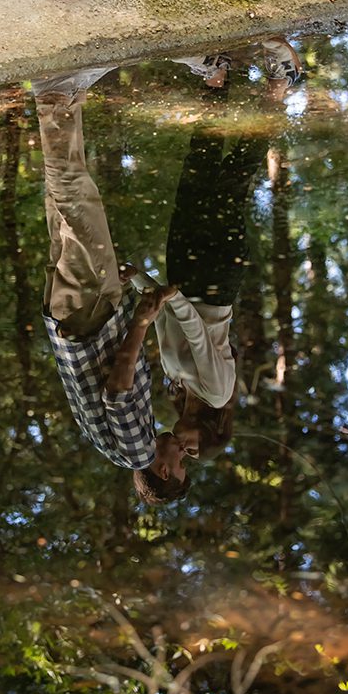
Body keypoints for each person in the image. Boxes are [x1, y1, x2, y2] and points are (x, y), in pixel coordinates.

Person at [130, 38, 301, 473]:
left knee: (195, 178)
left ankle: (218, 77)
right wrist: (169, 296)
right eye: (194, 452)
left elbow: (162, 318)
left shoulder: (174, 388)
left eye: (181, 455)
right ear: (212, 432)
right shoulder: (219, 393)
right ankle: (282, 86)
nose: (182, 449)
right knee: (234, 176)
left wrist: (135, 279)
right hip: (215, 280)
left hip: (182, 278)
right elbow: (196, 330)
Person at [32, 67, 191, 502]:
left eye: (180, 463)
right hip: (85, 315)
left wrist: (141, 320)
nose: (182, 453)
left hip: (88, 314)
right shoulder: (119, 450)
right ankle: (66, 98)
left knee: (77, 203)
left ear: (163, 470)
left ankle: (53, 97)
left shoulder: (138, 450)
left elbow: (118, 390)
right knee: (67, 212)